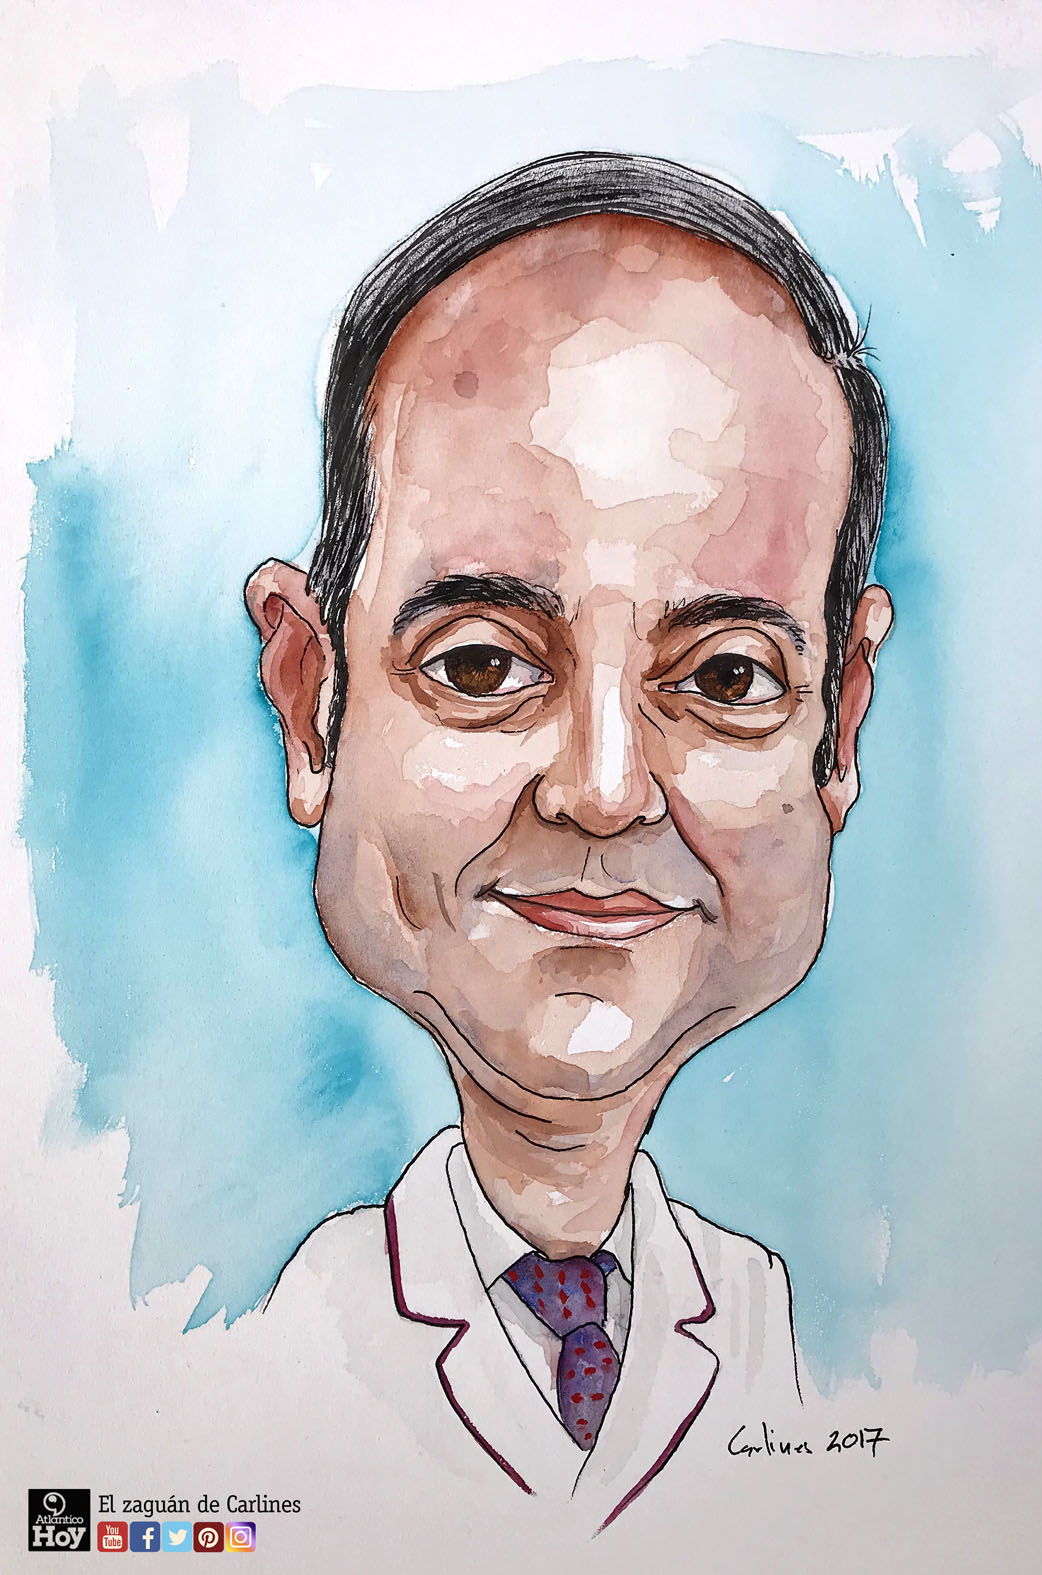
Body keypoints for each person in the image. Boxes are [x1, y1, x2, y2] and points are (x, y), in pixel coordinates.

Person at [245, 150, 892, 1532]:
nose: (603, 791)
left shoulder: (792, 1336)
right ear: (312, 708)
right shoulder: (239, 1353)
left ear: (837, 731)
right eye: (481, 666)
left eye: (727, 678)